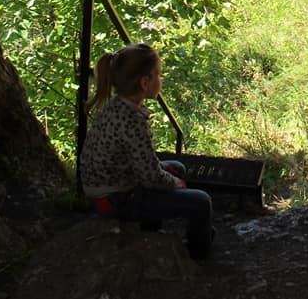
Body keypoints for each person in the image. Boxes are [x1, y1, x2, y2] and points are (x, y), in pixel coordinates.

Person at [79, 42, 213, 259]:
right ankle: (198, 254)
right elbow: (151, 177)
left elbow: (142, 163)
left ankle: (150, 231)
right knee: (201, 201)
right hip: (117, 198)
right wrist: (176, 184)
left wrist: (171, 177)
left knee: (176, 167)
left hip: (105, 185)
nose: (161, 79)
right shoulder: (133, 121)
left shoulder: (115, 106)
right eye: (158, 75)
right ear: (144, 82)